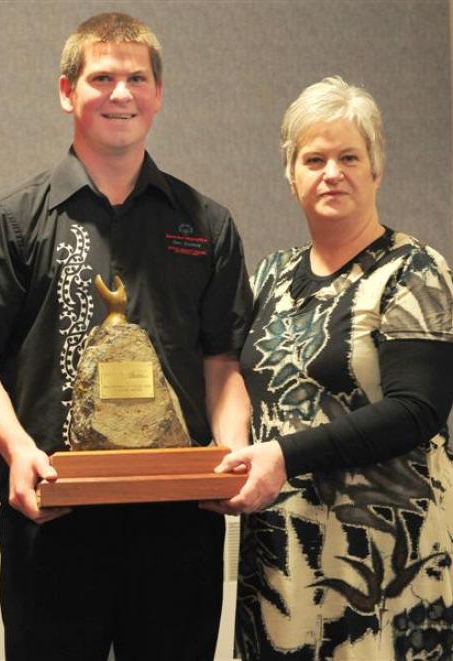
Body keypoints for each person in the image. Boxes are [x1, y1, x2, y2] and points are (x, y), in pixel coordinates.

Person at [0, 12, 252, 661]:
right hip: (54, 518)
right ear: (68, 91)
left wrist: (229, 453)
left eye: (137, 78)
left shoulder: (206, 224)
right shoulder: (12, 221)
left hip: (180, 524)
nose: (121, 93)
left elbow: (223, 361)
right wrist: (15, 448)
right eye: (102, 77)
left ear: (158, 95)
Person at [205, 77, 453, 659]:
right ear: (291, 176)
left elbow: (416, 410)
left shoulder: (416, 272)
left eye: (349, 157)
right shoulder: (270, 275)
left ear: (377, 170)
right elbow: (233, 375)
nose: (331, 172)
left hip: (385, 569)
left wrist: (284, 457)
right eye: (313, 159)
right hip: (279, 560)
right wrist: (230, 452)